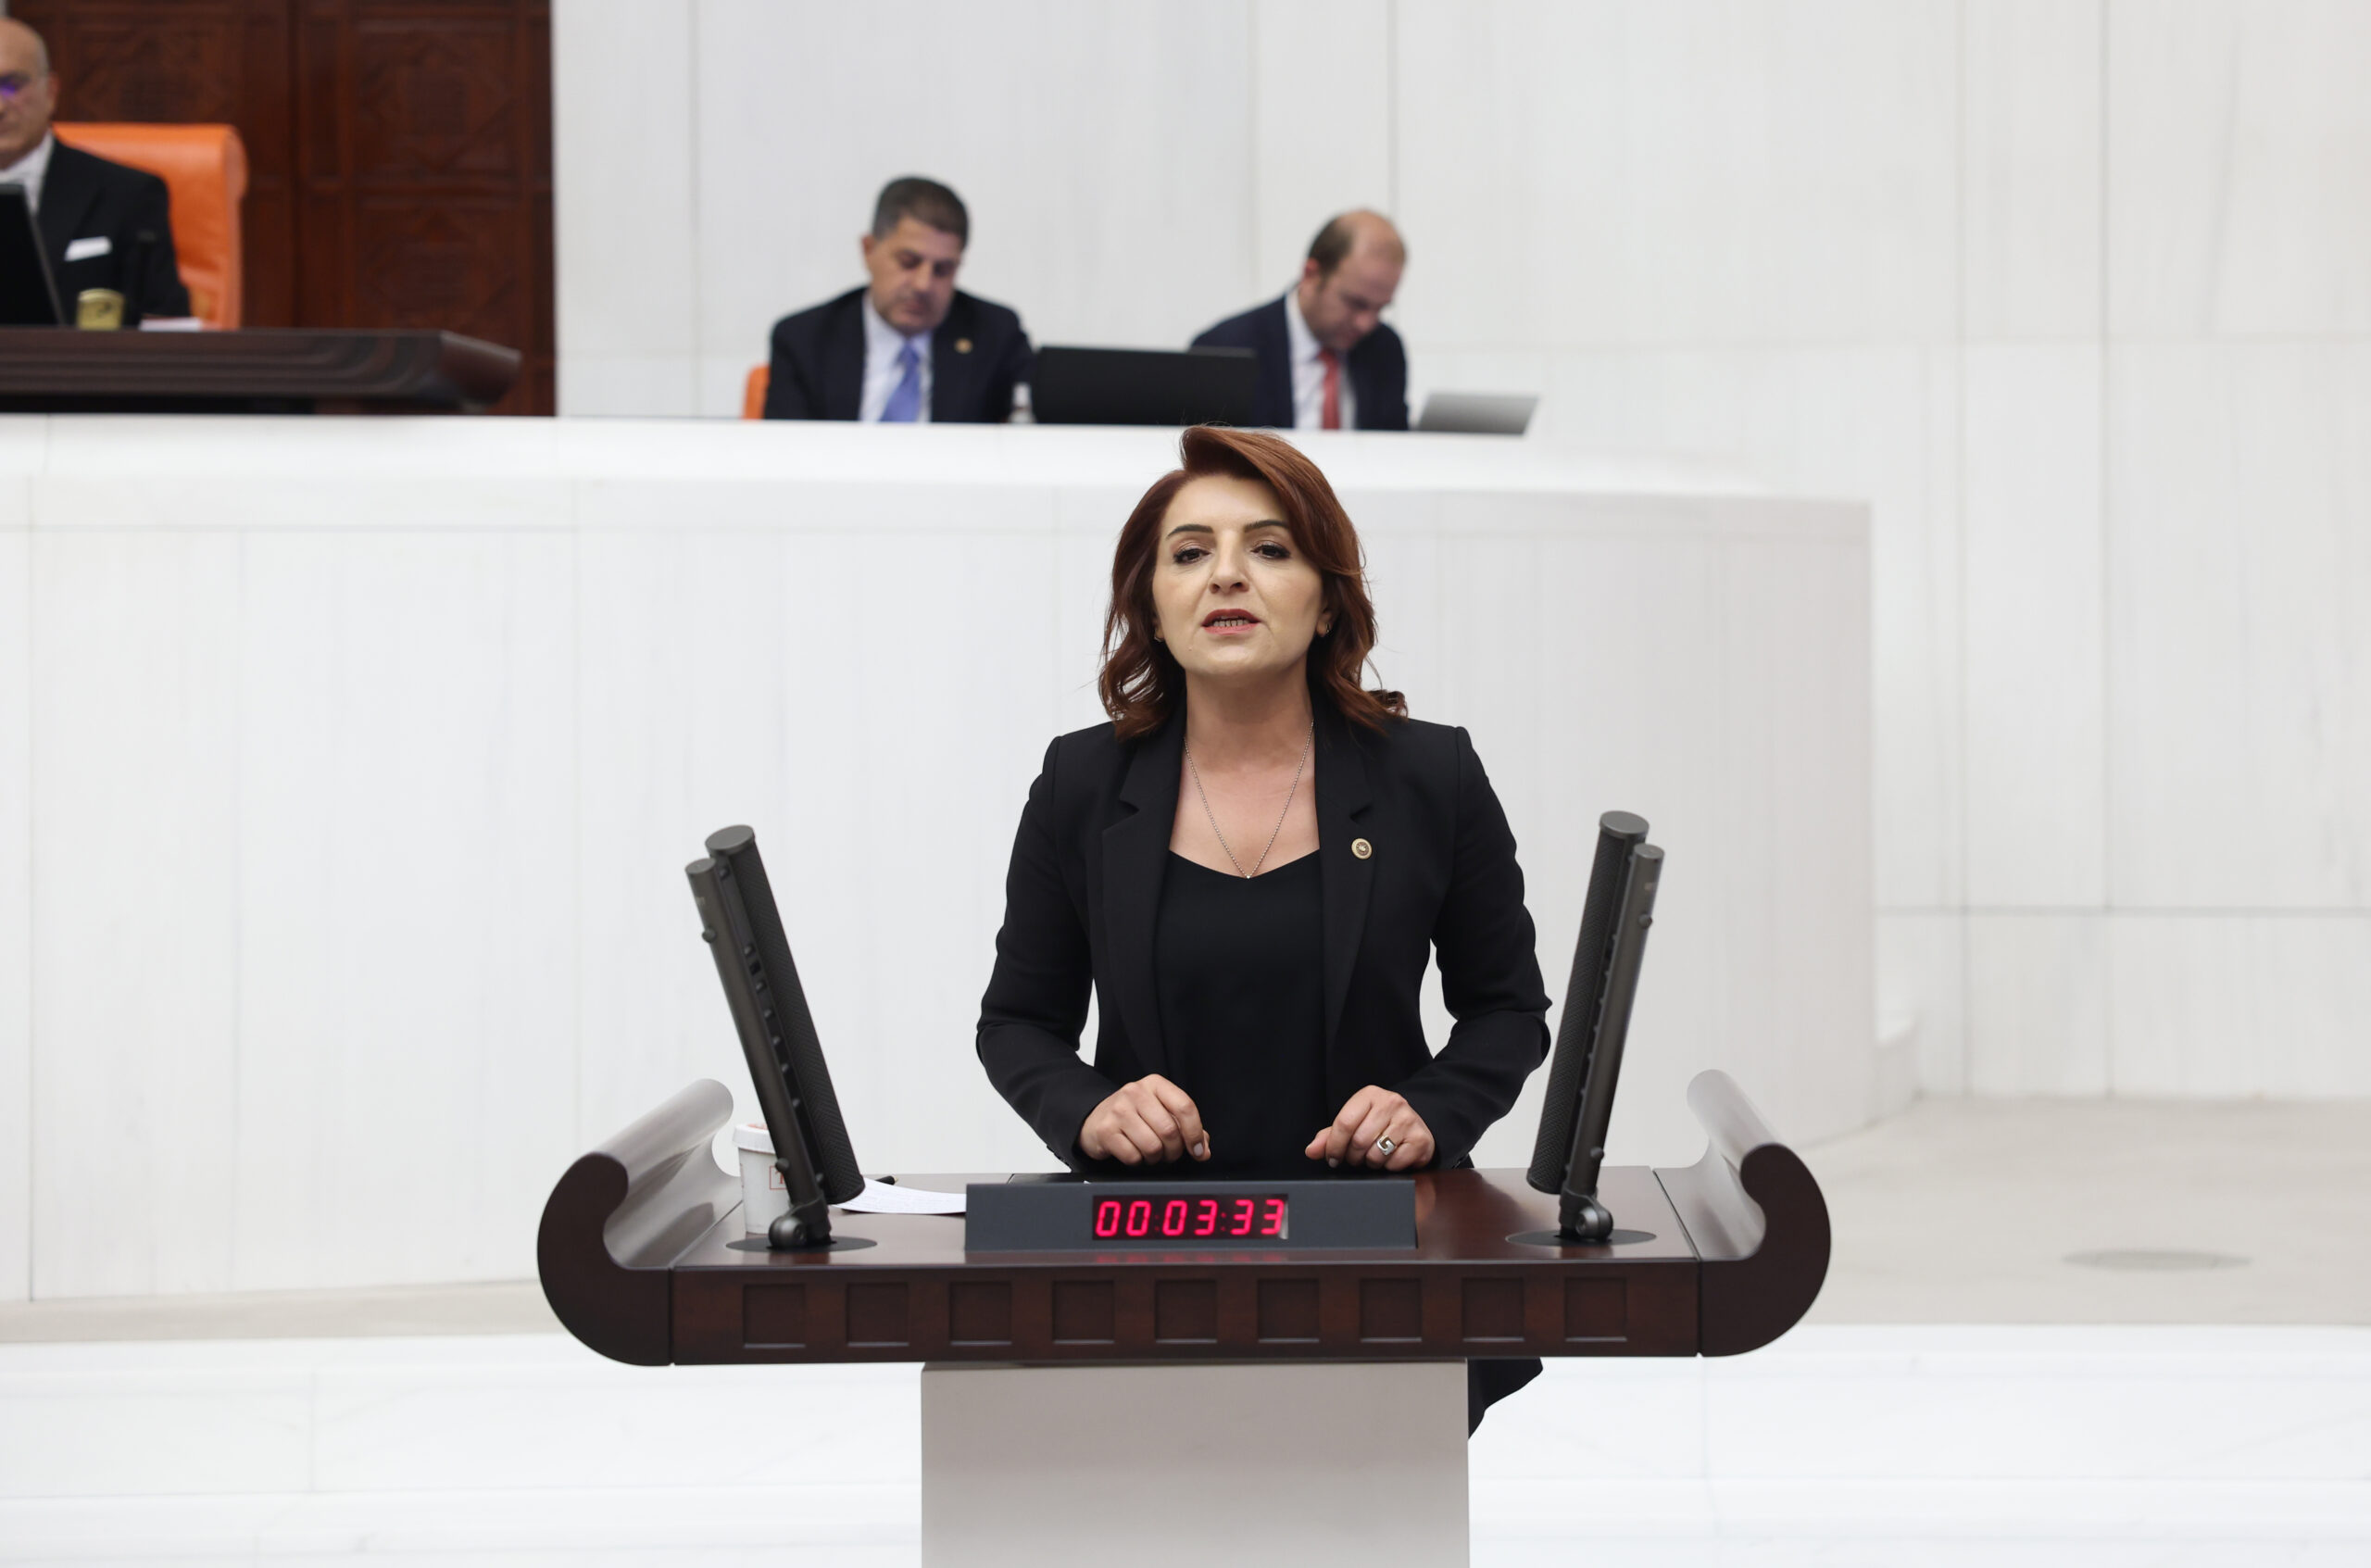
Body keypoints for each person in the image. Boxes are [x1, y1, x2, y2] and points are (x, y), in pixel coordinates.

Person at [975, 425, 1548, 1431]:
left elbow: (1506, 1010)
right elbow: (1017, 1024)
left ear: (1327, 601)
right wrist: (1090, 1109)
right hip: (1145, 1255)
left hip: (1380, 1249)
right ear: (1152, 607)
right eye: (1190, 552)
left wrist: (1429, 1111)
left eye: (1270, 548)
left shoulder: (1431, 776)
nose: (1226, 575)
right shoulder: (1080, 782)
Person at [762, 177, 1032, 422]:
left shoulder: (994, 335)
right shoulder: (805, 340)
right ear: (868, 250)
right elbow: (783, 451)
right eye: (908, 262)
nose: (923, 284)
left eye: (942, 270)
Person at [0, 18, 190, 322]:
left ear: (50, 92)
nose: (0, 107)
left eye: (11, 85)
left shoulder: (129, 195)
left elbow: (165, 324)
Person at [1191, 211, 1408, 432]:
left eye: (1380, 308)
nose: (1366, 324)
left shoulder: (1384, 349)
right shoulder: (1226, 348)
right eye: (1356, 303)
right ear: (1311, 275)